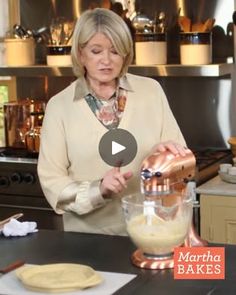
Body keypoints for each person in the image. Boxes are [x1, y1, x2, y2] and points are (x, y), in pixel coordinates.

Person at [37, 8, 186, 235]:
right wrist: (99, 190)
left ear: (126, 54)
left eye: (115, 51)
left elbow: (181, 165)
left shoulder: (151, 92)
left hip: (153, 231)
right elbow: (53, 183)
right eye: (96, 51)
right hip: (89, 239)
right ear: (80, 53)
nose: (106, 60)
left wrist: (162, 158)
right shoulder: (59, 107)